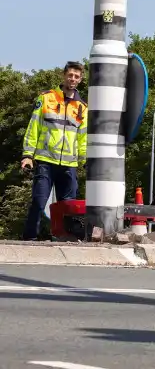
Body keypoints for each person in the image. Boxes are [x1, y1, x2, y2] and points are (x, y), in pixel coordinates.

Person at [20, 62, 88, 241]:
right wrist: (27, 155)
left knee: (69, 206)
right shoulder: (46, 98)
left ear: (80, 80)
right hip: (45, 161)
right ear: (63, 75)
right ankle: (30, 239)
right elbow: (33, 127)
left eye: (76, 76)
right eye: (70, 75)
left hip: (69, 165)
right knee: (38, 201)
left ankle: (67, 239)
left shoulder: (82, 107)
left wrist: (84, 160)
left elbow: (82, 138)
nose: (72, 79)